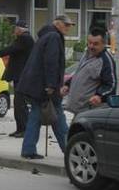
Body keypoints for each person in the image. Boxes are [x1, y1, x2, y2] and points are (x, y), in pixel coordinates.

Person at [17, 14, 75, 159]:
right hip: (45, 87)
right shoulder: (54, 37)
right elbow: (51, 62)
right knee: (58, 117)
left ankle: (28, 149)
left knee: (37, 116)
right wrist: (51, 85)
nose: (68, 28)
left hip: (35, 86)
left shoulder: (46, 36)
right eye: (66, 25)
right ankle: (71, 151)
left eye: (70, 25)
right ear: (58, 23)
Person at [62, 28, 117, 115]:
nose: (91, 46)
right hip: (75, 110)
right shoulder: (86, 54)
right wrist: (67, 85)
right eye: (89, 43)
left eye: (95, 44)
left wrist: (99, 96)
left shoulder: (105, 60)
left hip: (88, 112)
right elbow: (79, 74)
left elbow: (111, 85)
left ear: (103, 44)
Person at [0, 20, 34, 138]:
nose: (14, 31)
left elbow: (12, 49)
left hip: (22, 75)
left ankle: (24, 129)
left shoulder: (24, 39)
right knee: (19, 104)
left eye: (15, 28)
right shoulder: (26, 39)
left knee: (20, 104)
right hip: (22, 75)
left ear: (19, 29)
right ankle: (20, 129)